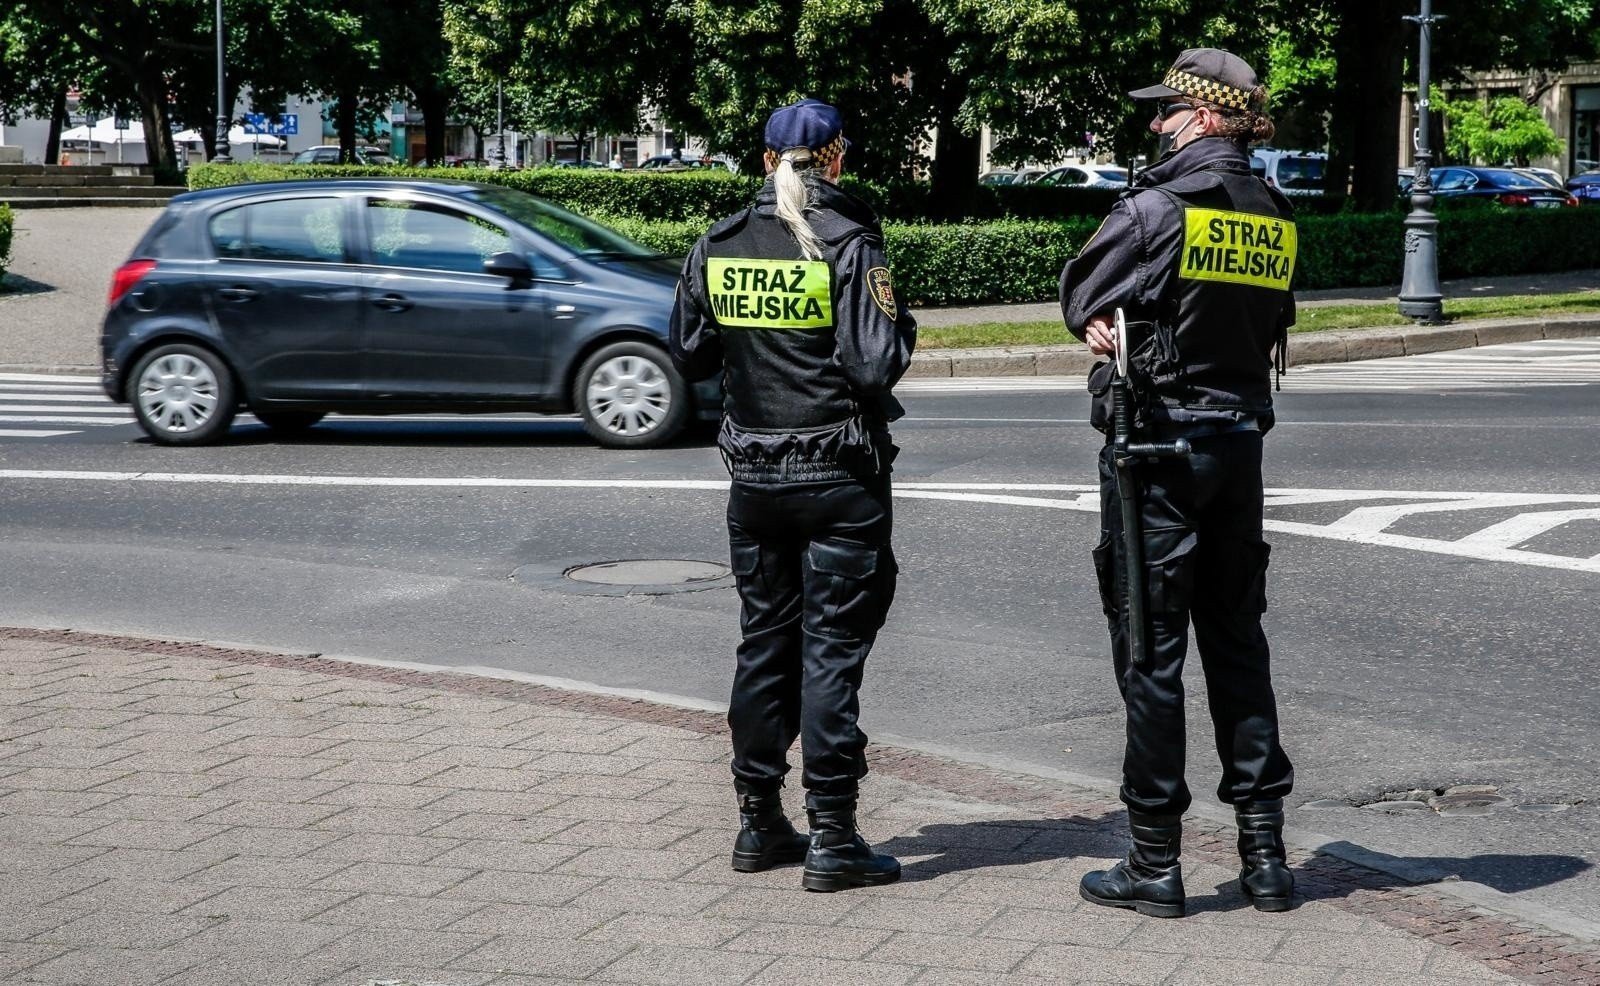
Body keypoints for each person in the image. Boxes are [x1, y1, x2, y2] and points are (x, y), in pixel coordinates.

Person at [1059, 48, 1298, 919]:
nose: (1153, 125)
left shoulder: (1156, 208)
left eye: (1163, 113)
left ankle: (1154, 864)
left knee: (1152, 654)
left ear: (1199, 118)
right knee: (1238, 644)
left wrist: (1111, 317)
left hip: (1158, 452)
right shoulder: (1272, 210)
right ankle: (1266, 859)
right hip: (1240, 448)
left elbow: (1081, 289)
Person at [670, 98, 917, 893]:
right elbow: (876, 364)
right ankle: (834, 836)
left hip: (755, 481)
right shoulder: (849, 241)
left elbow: (689, 348)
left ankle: (757, 821)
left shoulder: (719, 242)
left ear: (764, 158)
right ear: (837, 160)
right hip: (840, 479)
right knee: (831, 653)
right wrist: (902, 327)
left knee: (764, 646)